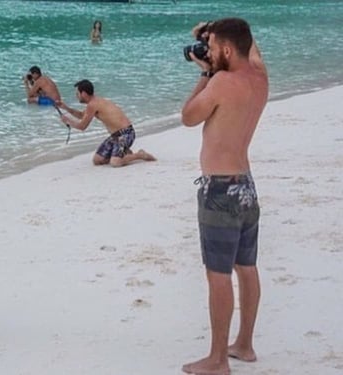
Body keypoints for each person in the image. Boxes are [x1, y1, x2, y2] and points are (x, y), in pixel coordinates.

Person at [180, 18, 268, 375]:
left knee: (218, 274)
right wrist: (213, 32)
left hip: (219, 191)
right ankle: (244, 344)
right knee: (246, 267)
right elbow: (250, 46)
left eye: (214, 47)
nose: (209, 52)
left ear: (227, 50)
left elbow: (188, 116)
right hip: (246, 186)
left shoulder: (221, 82)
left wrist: (204, 74)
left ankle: (217, 359)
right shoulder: (260, 77)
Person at [57, 79, 156, 167]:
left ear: (84, 93)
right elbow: (82, 116)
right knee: (97, 160)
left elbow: (83, 126)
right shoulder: (94, 102)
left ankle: (139, 154)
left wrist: (68, 121)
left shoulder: (93, 104)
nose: (76, 96)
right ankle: (124, 153)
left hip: (126, 133)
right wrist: (66, 108)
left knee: (115, 162)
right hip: (115, 136)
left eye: (77, 93)